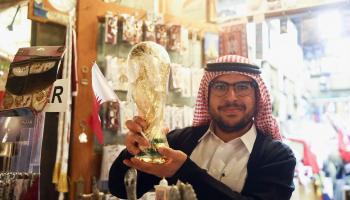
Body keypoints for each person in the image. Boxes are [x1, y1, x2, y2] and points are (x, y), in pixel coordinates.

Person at [108, 55, 296, 200]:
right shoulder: (177, 142)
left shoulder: (277, 157)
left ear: (257, 96)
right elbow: (120, 189)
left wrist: (184, 171)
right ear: (207, 95)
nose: (231, 97)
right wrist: (133, 151)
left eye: (242, 87)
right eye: (220, 87)